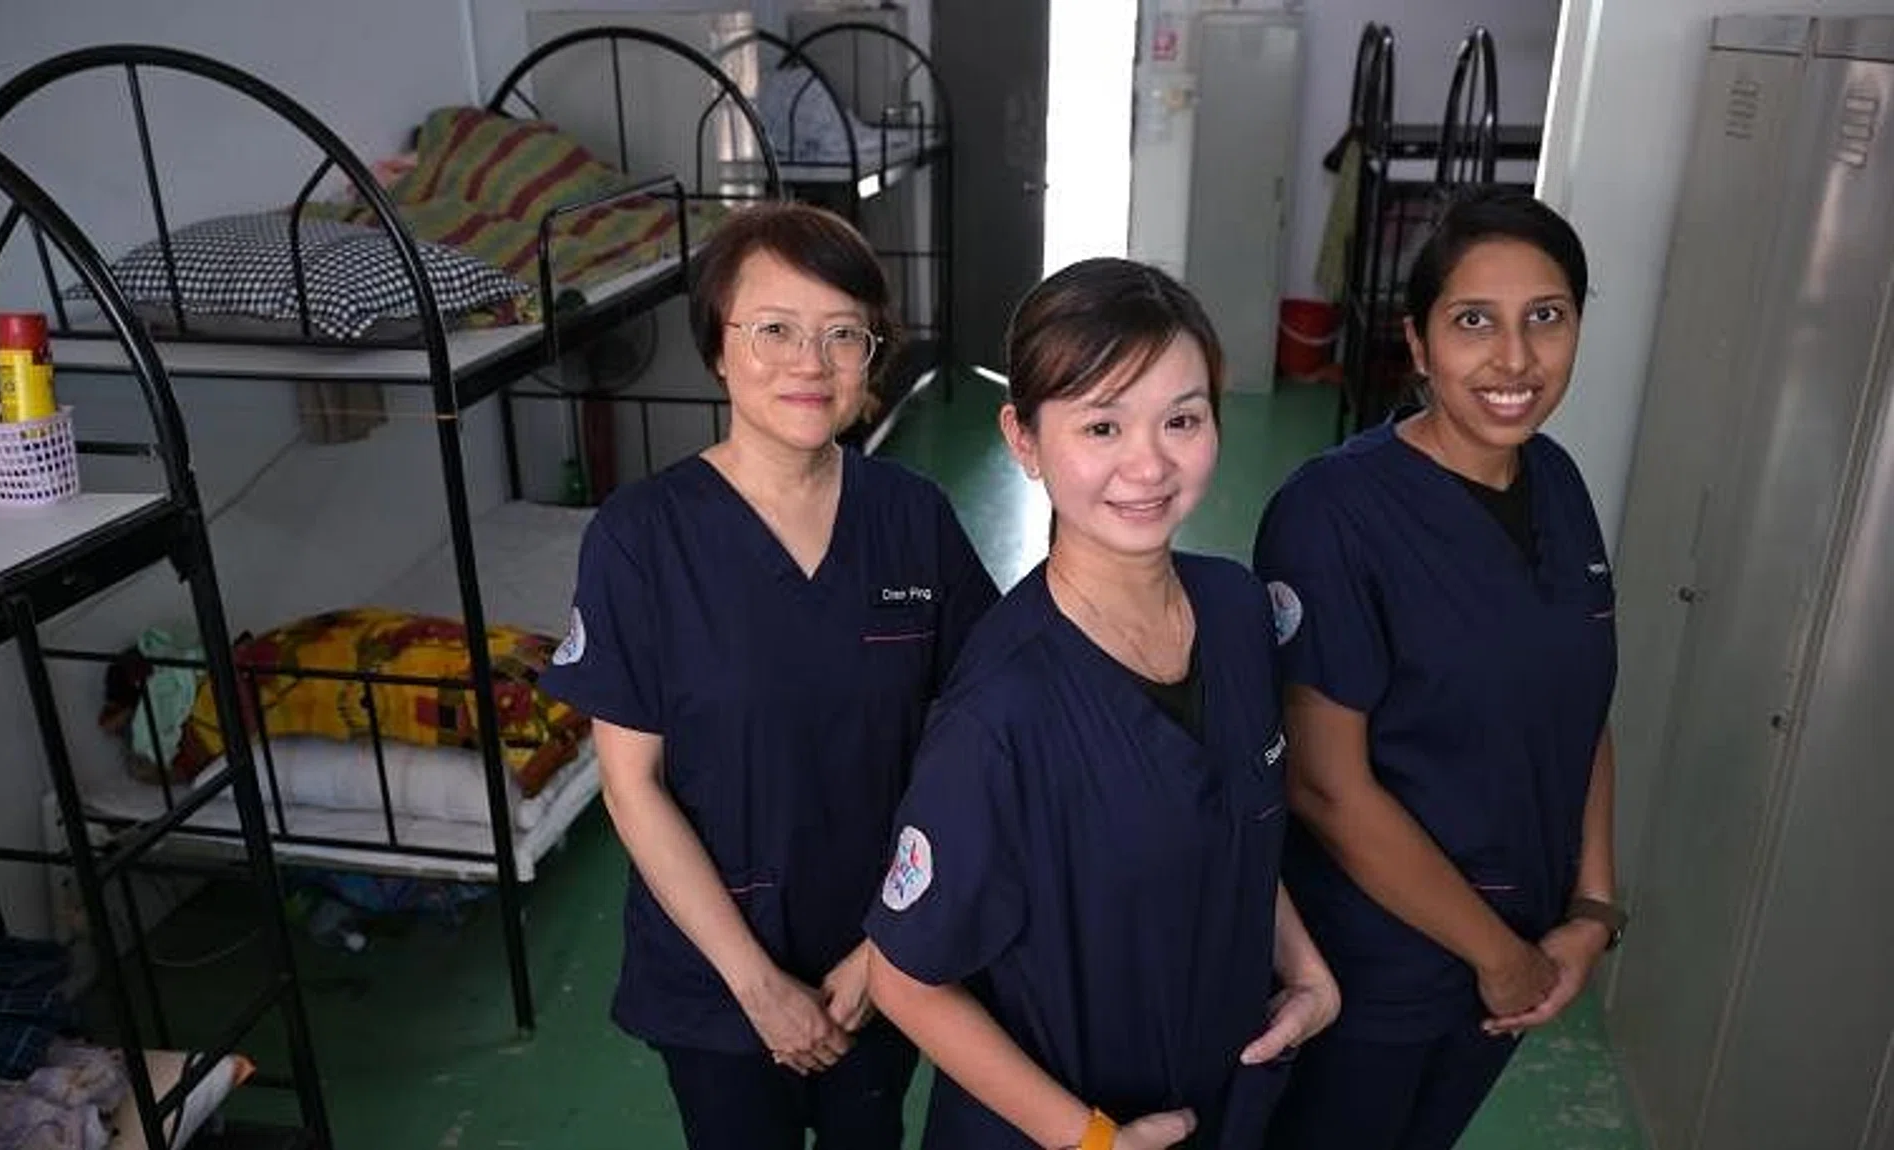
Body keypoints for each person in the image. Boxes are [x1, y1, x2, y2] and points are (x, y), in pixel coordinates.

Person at [539, 201, 999, 1150]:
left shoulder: (912, 517)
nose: (810, 363)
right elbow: (632, 789)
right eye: (775, 330)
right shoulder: (641, 539)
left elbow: (975, 746)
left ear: (871, 356)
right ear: (717, 347)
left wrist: (886, 947)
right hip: (716, 977)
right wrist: (757, 987)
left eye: (843, 335)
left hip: (885, 959)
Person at [864, 258, 1340, 1150]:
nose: (1149, 464)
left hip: (1224, 1094)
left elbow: (1235, 817)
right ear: (1024, 439)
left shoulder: (1236, 611)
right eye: (1102, 425)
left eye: (1183, 419)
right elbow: (903, 978)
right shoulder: (1001, 709)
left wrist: (1308, 970)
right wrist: (1088, 1140)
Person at [1253, 187, 1622, 1150]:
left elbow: (1580, 703)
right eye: (1473, 323)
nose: (1514, 360)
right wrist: (1499, 957)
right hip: (1380, 967)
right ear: (1416, 345)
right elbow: (1326, 787)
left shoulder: (1559, 481)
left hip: (1522, 956)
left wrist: (1589, 907)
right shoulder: (1333, 514)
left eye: (1546, 317)